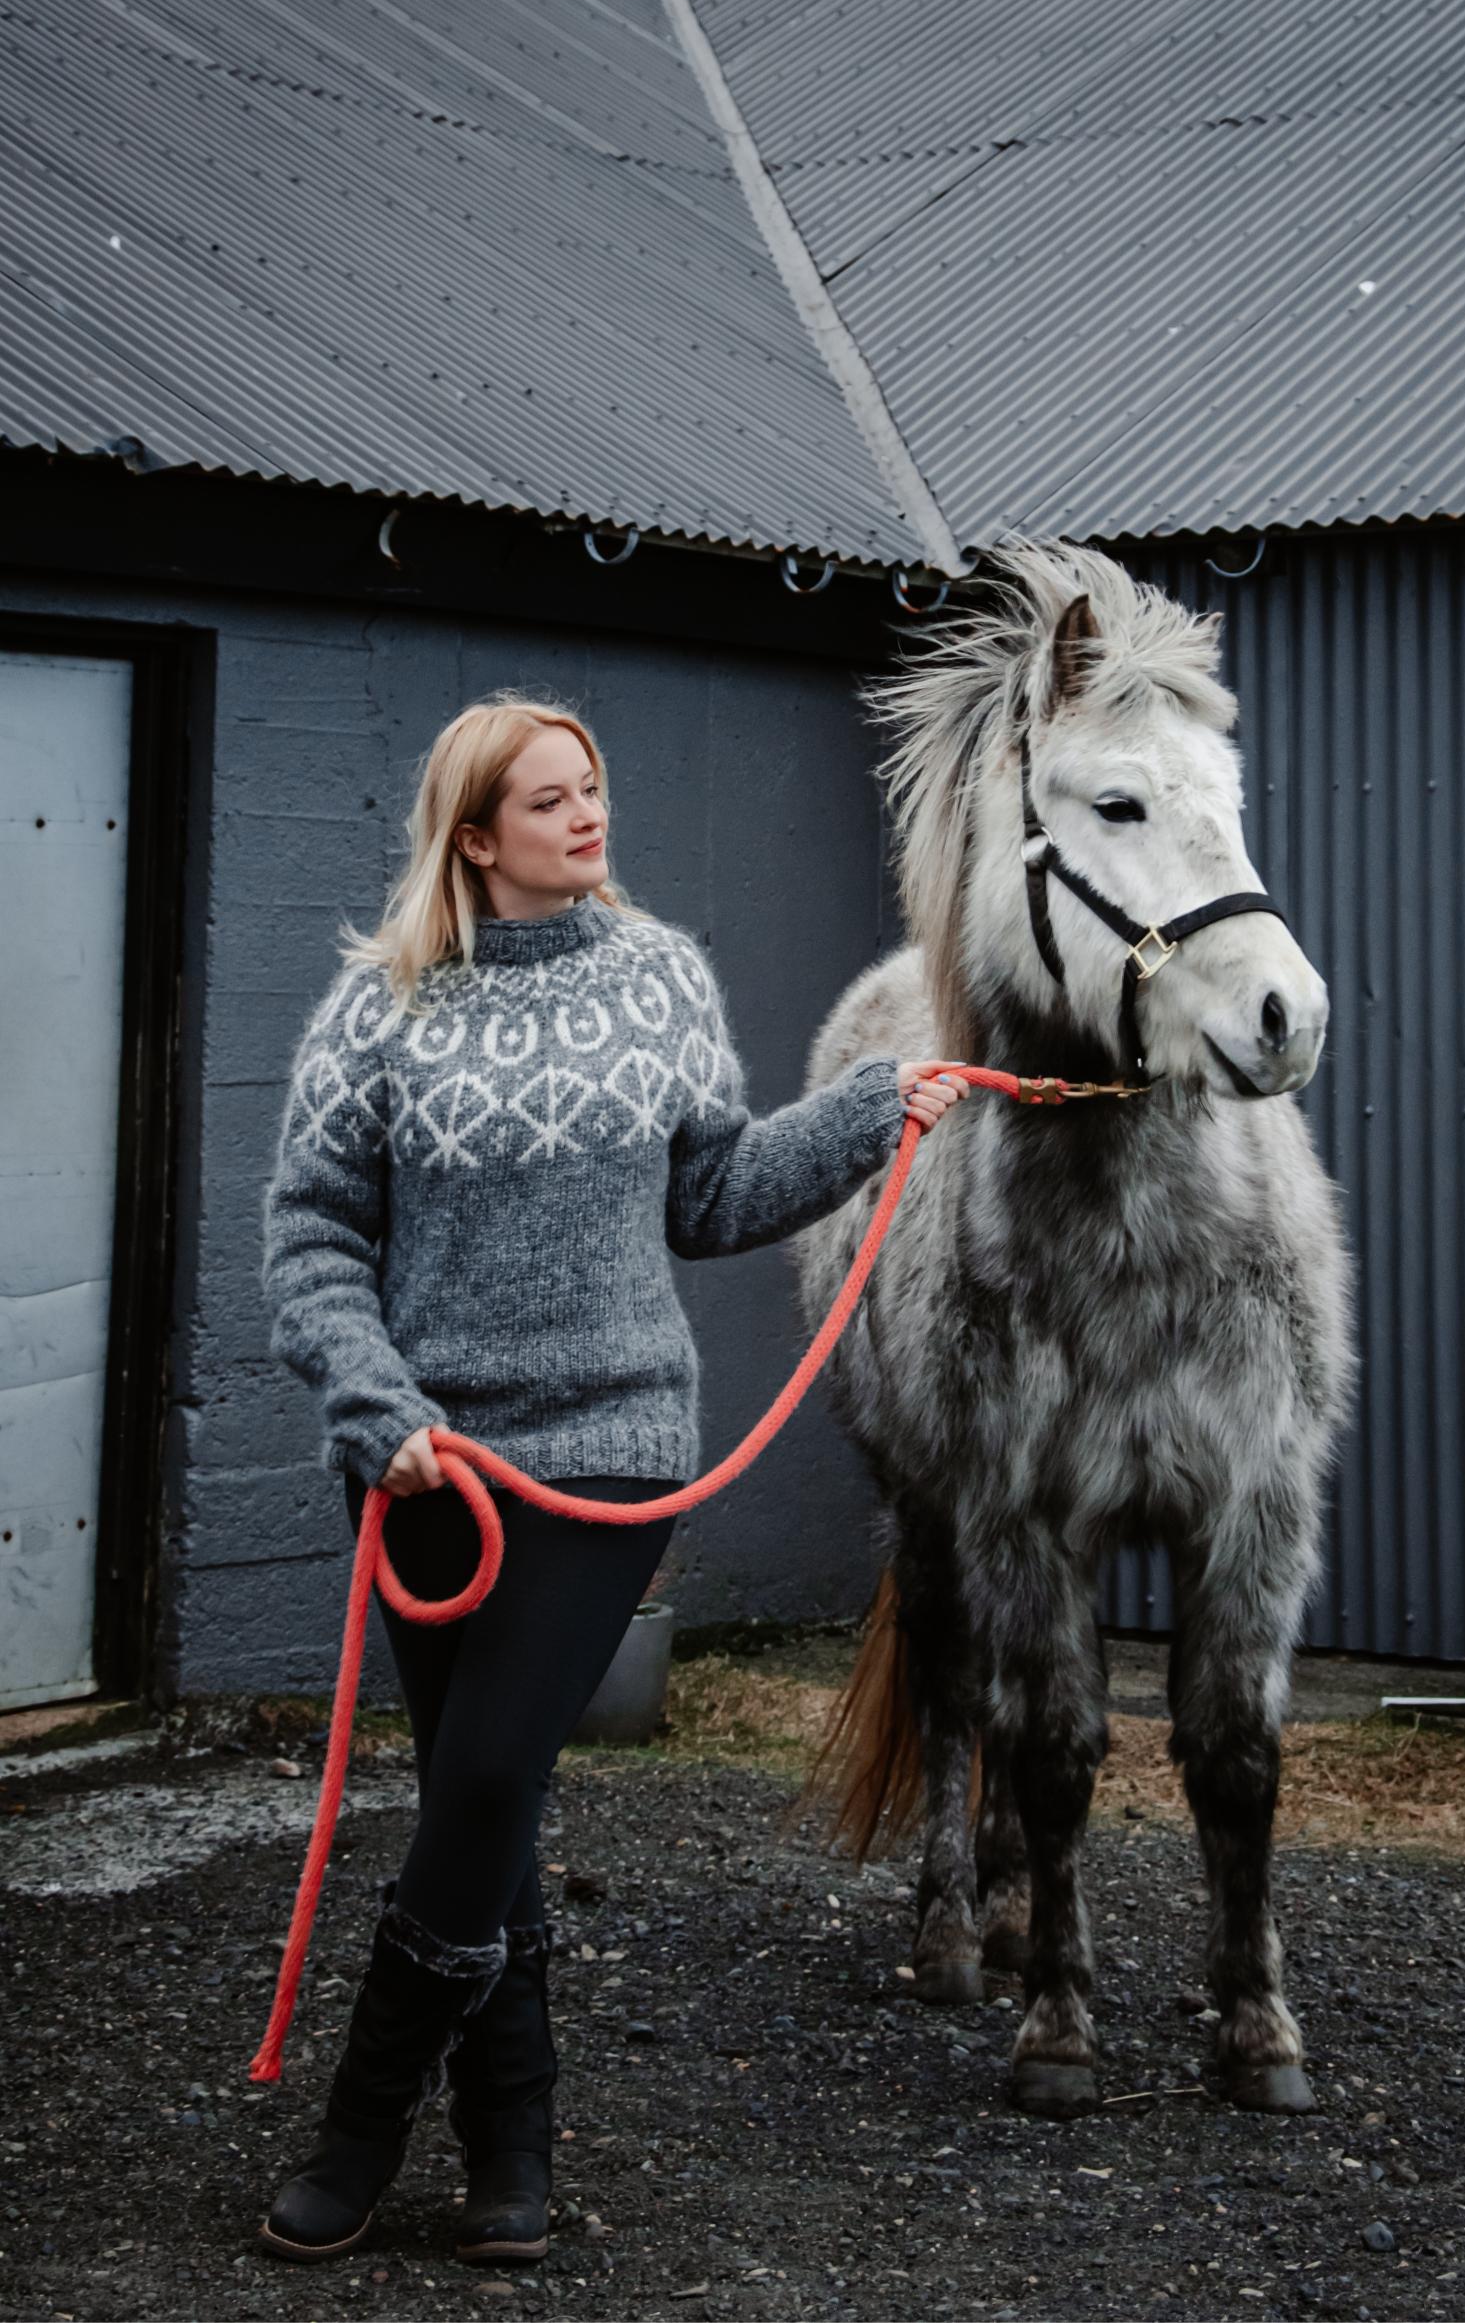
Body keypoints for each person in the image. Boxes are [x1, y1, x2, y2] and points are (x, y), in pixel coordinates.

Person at [255, 692, 968, 2266]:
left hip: (609, 1455)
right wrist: (378, 1410)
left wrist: (865, 1114)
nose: (589, 817)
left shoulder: (657, 981)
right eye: (551, 800)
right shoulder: (376, 1012)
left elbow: (711, 1196)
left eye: (594, 790)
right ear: (474, 835)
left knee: (493, 1781)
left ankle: (358, 2128)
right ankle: (511, 2153)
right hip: (431, 1465)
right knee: (477, 1811)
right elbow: (312, 1243)